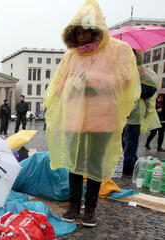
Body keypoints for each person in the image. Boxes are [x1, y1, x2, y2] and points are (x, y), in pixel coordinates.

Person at [43, 0, 140, 227]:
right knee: (74, 164)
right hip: (73, 119)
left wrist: (95, 81)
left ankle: (91, 208)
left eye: (86, 30)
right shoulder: (70, 56)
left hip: (101, 119)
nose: (82, 35)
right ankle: (74, 205)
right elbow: (58, 85)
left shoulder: (119, 50)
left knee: (94, 164)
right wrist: (71, 87)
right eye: (78, 31)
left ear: (96, 29)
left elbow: (127, 79)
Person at [122, 50, 160, 175]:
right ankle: (133, 162)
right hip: (122, 114)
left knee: (131, 142)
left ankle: (128, 167)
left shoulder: (141, 71)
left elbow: (149, 90)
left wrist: (132, 86)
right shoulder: (123, 70)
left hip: (135, 115)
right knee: (124, 141)